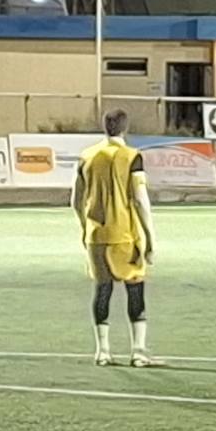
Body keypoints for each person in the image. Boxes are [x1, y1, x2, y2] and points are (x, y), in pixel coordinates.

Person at [73, 109, 160, 366]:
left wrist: (85, 228)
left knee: (102, 289)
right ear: (125, 128)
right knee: (135, 289)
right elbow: (140, 200)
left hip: (96, 236)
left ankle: (103, 351)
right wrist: (150, 238)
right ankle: (138, 352)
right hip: (125, 235)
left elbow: (76, 200)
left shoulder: (86, 156)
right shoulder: (132, 156)